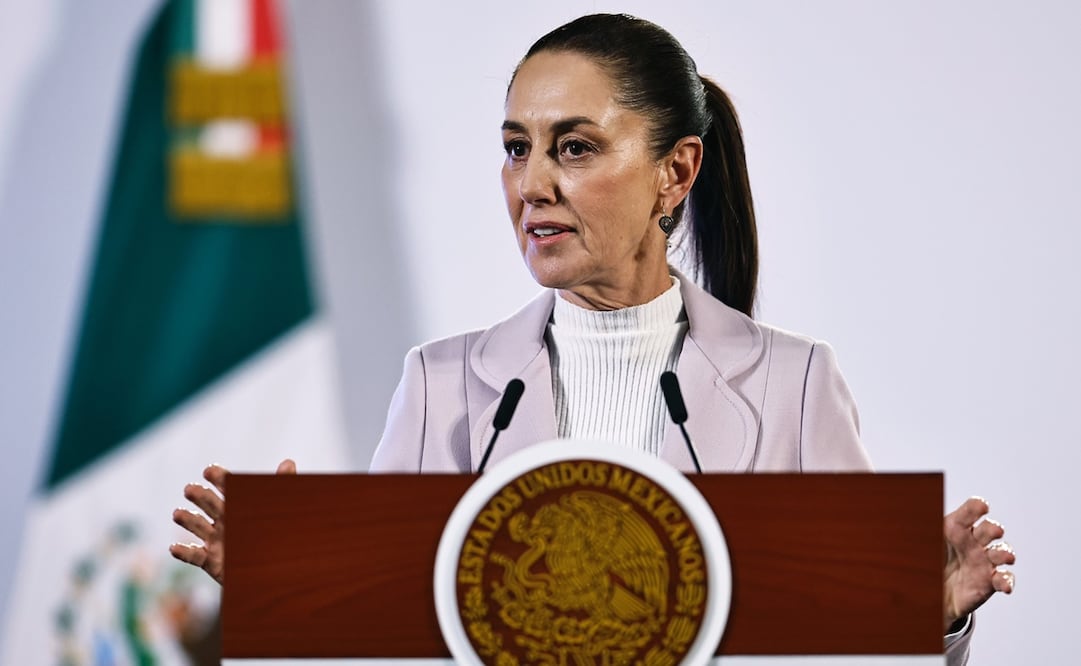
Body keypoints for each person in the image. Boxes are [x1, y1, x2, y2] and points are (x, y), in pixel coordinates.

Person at [171, 13, 1014, 664]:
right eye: (515, 148)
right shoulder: (440, 385)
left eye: (572, 147)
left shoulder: (789, 384)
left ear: (674, 172)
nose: (530, 184)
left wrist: (927, 617)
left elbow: (846, 651)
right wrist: (283, 591)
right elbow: (390, 646)